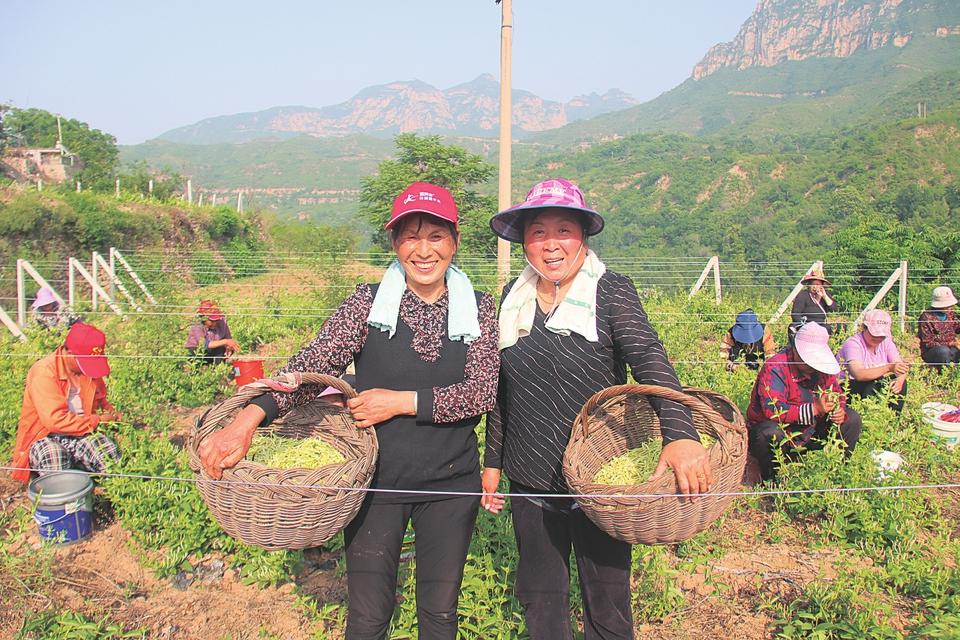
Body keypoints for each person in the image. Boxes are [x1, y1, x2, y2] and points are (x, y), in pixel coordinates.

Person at [199, 181, 499, 640]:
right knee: (368, 616)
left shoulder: (478, 308)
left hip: (450, 483)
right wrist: (249, 418)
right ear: (395, 243)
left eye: (435, 236)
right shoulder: (367, 303)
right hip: (376, 482)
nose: (423, 250)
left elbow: (480, 392)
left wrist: (397, 402)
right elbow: (312, 367)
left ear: (454, 241)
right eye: (410, 236)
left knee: (439, 616)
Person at [481, 178, 710, 640]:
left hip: (600, 478)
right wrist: (492, 463)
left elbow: (649, 358)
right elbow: (503, 389)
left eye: (563, 229)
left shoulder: (610, 291)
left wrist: (680, 432)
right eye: (538, 231)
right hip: (530, 475)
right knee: (540, 597)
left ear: (582, 236)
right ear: (524, 239)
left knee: (607, 600)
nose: (550, 244)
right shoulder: (512, 298)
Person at [747, 322, 862, 481]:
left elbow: (837, 394)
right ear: (795, 350)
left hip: (810, 432)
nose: (811, 365)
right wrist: (814, 409)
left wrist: (838, 410)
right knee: (768, 433)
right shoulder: (775, 367)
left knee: (852, 419)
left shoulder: (822, 370)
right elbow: (772, 411)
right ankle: (774, 480)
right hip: (781, 434)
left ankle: (837, 474)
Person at [11, 322, 122, 482]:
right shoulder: (44, 373)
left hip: (82, 432)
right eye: (85, 362)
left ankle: (114, 497)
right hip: (47, 436)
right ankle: (60, 500)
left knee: (108, 452)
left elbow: (100, 399)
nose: (88, 368)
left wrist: (111, 414)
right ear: (68, 352)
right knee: (54, 457)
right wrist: (97, 421)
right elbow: (54, 421)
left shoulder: (88, 371)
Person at [837, 309, 908, 412]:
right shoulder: (853, 343)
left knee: (898, 382)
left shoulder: (886, 342)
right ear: (864, 328)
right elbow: (858, 374)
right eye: (874, 334)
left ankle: (891, 420)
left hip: (871, 386)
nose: (878, 338)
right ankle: (866, 415)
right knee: (875, 383)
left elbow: (900, 365)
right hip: (848, 387)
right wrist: (889, 367)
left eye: (881, 335)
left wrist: (900, 380)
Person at [917, 286, 960, 369]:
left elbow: (957, 327)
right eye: (948, 305)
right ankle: (944, 376)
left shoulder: (951, 314)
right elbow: (927, 342)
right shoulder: (926, 317)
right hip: (932, 351)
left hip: (952, 349)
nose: (951, 307)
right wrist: (950, 343)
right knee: (943, 351)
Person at [791, 265, 839, 335]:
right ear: (808, 285)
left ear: (822, 286)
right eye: (812, 284)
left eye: (818, 284)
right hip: (807, 327)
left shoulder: (825, 295)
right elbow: (795, 314)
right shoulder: (803, 295)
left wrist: (824, 296)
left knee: (840, 327)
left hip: (822, 327)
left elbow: (834, 309)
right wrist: (805, 327)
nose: (815, 287)